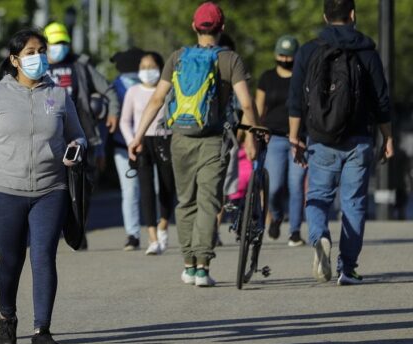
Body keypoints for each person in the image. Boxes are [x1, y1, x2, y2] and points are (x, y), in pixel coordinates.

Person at [0, 29, 86, 344]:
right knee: (10, 260)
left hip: (50, 189)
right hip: (6, 191)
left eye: (42, 50)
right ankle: (6, 318)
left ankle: (42, 329)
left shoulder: (57, 94)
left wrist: (76, 148)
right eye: (30, 52)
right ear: (14, 60)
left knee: (43, 257)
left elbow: (78, 135)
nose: (38, 56)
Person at [128, 1, 261, 287]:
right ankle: (202, 266)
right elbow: (247, 103)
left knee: (185, 201)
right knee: (208, 202)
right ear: (222, 28)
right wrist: (253, 134)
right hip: (213, 140)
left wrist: (138, 137)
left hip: (180, 139)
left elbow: (156, 100)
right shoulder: (230, 60)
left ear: (194, 27)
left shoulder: (177, 57)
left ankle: (188, 264)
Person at [288, 0, 393, 285]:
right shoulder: (367, 53)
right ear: (353, 15)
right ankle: (348, 268)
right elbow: (381, 100)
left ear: (325, 16)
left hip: (320, 139)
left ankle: (320, 235)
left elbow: (296, 100)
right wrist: (388, 136)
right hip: (358, 139)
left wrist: (295, 137)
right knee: (354, 203)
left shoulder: (309, 50)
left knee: (318, 198)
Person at [44, 21, 120, 249]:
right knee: (52, 184)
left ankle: (78, 228)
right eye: (55, 42)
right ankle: (54, 230)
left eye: (63, 42)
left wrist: (113, 112)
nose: (59, 47)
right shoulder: (38, 65)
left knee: (82, 186)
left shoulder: (80, 65)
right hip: (50, 134)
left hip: (81, 134)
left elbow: (108, 89)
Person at [120, 51, 176, 255]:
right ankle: (152, 237)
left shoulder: (170, 89)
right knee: (145, 190)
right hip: (141, 143)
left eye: (151, 67)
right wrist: (131, 141)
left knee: (168, 187)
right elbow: (124, 121)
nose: (147, 71)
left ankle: (163, 223)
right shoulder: (133, 91)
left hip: (165, 140)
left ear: (160, 68)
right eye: (143, 67)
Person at [256, 35, 308, 247]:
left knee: (296, 185)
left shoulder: (302, 78)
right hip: (274, 138)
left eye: (289, 56)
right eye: (281, 55)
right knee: (274, 186)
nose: (285, 59)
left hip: (299, 140)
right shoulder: (267, 78)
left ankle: (295, 231)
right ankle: (276, 215)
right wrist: (257, 132)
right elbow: (259, 109)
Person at [110, 47, 145, 251]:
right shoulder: (113, 87)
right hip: (123, 146)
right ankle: (133, 233)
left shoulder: (151, 86)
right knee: (131, 190)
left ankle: (156, 228)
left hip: (147, 145)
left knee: (152, 189)